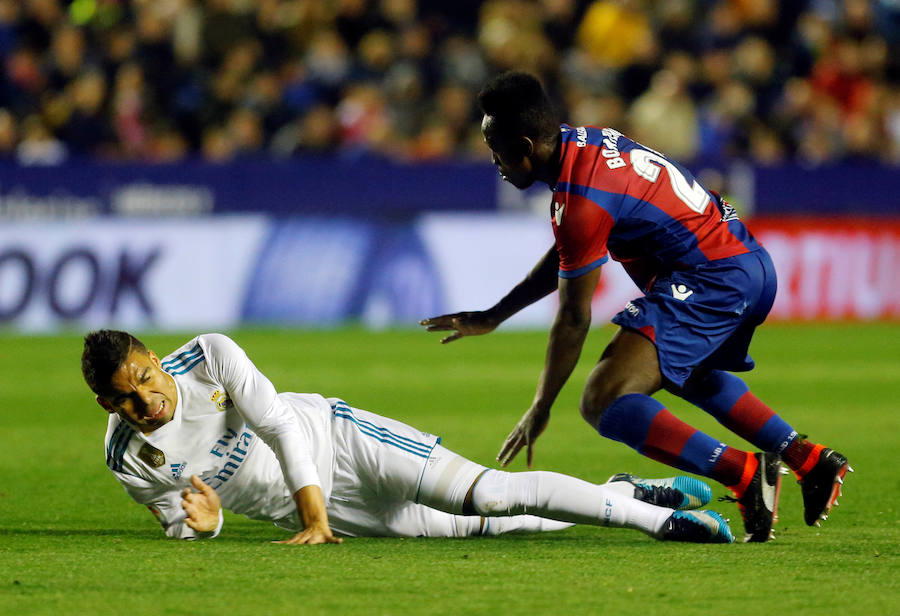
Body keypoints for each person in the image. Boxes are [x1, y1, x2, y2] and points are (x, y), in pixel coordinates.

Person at [420, 71, 851, 543]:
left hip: (711, 278)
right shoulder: (587, 143)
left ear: (525, 145)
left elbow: (573, 316)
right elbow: (571, 251)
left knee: (604, 399)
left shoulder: (582, 196)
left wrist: (541, 406)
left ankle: (745, 473)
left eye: (496, 150)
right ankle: (809, 459)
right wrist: (495, 314)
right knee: (690, 374)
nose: (495, 162)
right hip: (744, 264)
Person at [81, 329, 734, 544]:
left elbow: (278, 424)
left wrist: (313, 519)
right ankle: (621, 490)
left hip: (338, 443)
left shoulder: (209, 356)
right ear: (107, 404)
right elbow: (182, 522)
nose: (147, 399)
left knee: (490, 495)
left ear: (157, 361)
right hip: (328, 510)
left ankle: (652, 521)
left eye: (146, 378)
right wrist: (208, 523)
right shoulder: (127, 458)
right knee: (495, 527)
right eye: (126, 397)